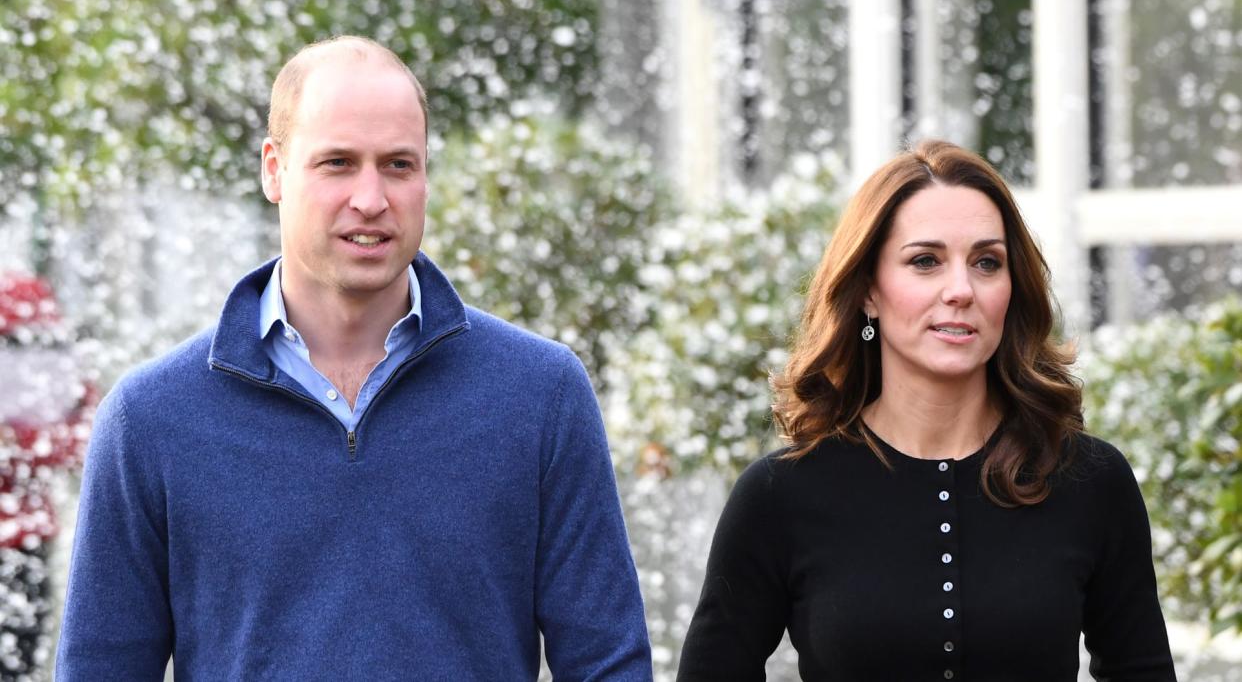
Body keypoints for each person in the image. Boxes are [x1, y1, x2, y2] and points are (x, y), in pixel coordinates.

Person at [57, 35, 652, 680]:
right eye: (337, 162)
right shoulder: (151, 418)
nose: (371, 199)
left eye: (399, 164)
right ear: (274, 170)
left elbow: (607, 663)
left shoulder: (540, 393)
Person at [677, 140, 1175, 680]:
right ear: (869, 289)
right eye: (925, 262)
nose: (960, 289)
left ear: (1012, 288)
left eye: (987, 262)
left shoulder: (1091, 481)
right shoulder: (779, 494)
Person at [0, 274, 96, 679]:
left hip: (23, 541)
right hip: (27, 539)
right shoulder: (31, 306)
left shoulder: (25, 305)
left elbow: (82, 436)